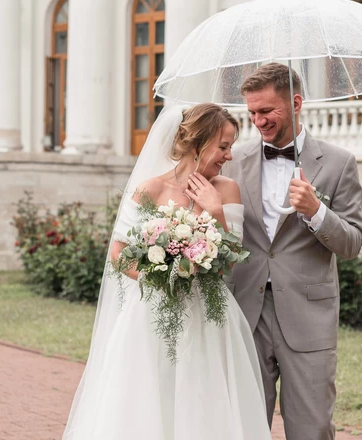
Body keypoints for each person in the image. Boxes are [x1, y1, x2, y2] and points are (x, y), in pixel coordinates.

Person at [62, 103, 272, 440]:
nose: (228, 156)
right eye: (223, 146)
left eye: (230, 147)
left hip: (208, 315)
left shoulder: (227, 190)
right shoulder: (151, 189)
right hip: (152, 313)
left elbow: (230, 262)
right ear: (196, 144)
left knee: (204, 395)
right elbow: (118, 253)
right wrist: (162, 276)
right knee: (149, 396)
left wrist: (215, 209)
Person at [224, 63, 362, 440]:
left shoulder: (338, 163)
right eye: (252, 112)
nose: (259, 121)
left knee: (312, 429)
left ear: (296, 102)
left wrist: (316, 211)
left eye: (267, 111)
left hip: (309, 318)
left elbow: (351, 243)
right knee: (242, 427)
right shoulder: (233, 160)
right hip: (245, 314)